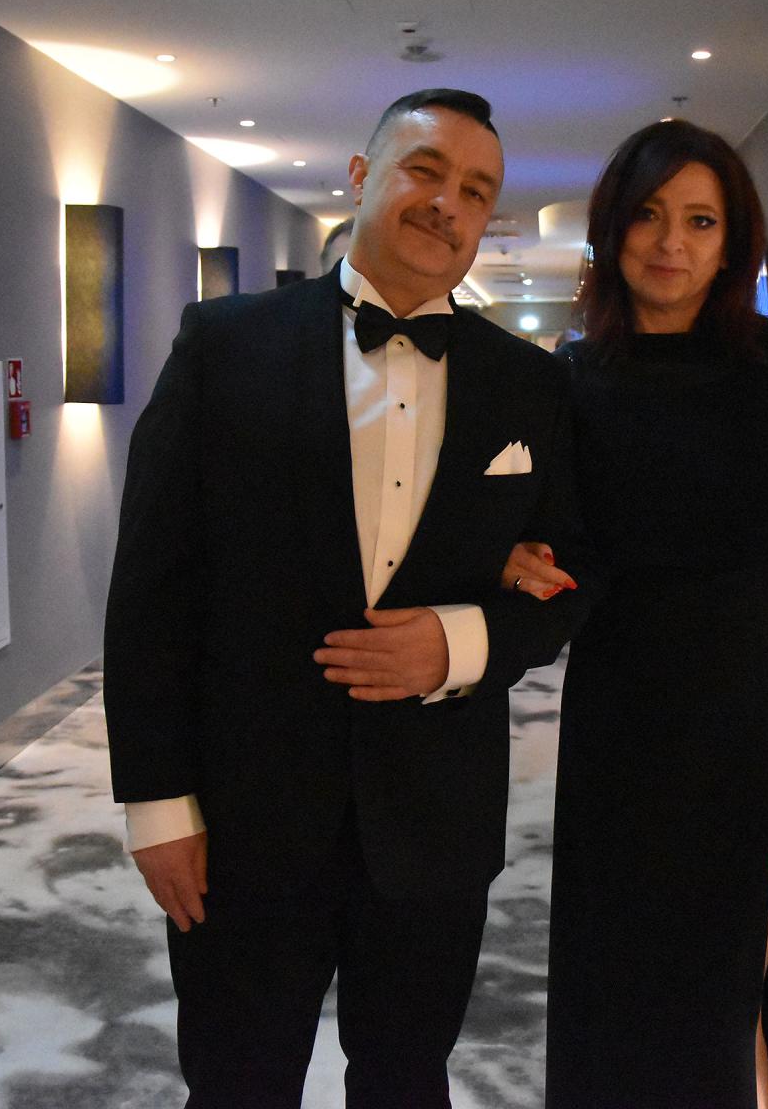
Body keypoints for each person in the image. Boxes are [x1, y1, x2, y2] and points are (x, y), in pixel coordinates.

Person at [104, 88, 596, 1109]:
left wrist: (459, 642)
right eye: (425, 170)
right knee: (236, 1084)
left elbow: (570, 582)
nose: (447, 203)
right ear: (363, 176)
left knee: (407, 1081)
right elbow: (152, 592)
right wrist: (156, 805)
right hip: (246, 815)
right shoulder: (223, 344)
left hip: (435, 823)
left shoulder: (531, 385)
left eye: (476, 191)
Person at [502, 119, 768, 1109]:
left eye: (700, 221)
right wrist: (516, 563)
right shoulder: (574, 376)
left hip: (760, 708)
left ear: (732, 240)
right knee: (622, 978)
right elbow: (559, 550)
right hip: (624, 712)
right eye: (650, 215)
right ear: (613, 229)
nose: (672, 242)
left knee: (728, 987)